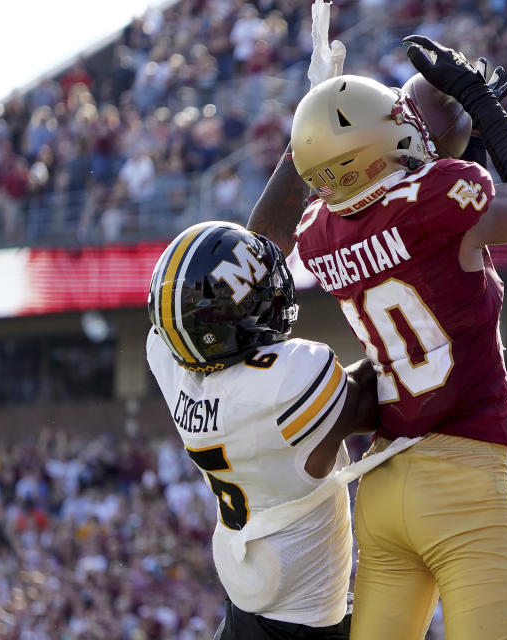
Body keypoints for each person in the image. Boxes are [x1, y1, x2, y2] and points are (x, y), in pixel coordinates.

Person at [248, 36, 507, 640]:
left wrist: (305, 139)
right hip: (462, 479)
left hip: (384, 485)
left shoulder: (317, 231)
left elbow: (268, 242)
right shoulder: (440, 196)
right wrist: (476, 99)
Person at [146, 221, 386, 639]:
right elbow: (380, 392)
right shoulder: (284, 384)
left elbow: (262, 238)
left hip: (246, 599)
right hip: (303, 625)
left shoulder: (175, 361)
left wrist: (301, 157)